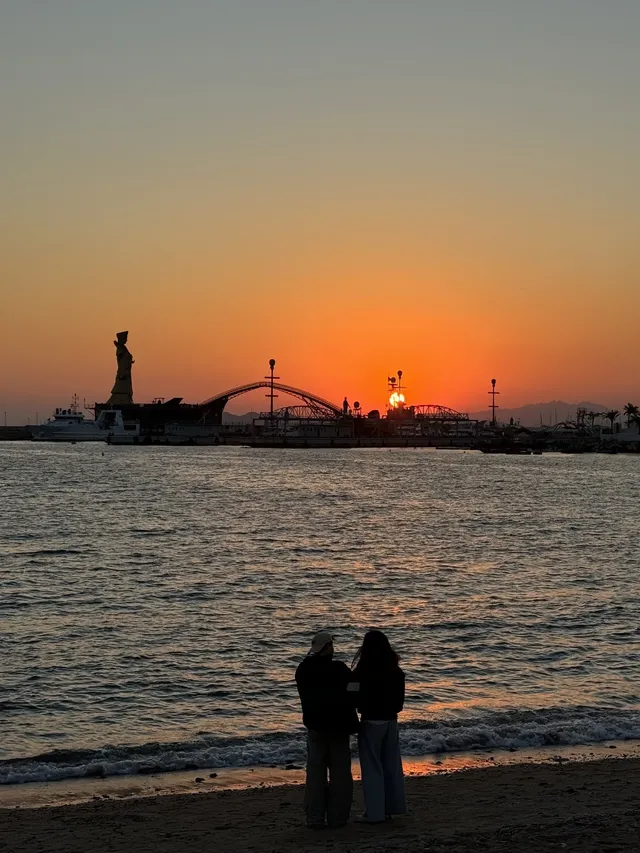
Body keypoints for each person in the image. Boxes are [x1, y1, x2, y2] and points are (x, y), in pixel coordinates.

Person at [295, 630, 359, 829]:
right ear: (328, 648)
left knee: (315, 773)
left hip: (315, 727)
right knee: (340, 773)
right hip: (339, 728)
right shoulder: (339, 669)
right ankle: (338, 817)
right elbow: (355, 690)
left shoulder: (303, 670)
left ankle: (314, 817)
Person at [350, 630, 406, 823]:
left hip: (370, 722)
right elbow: (399, 703)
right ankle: (391, 808)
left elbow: (352, 695)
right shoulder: (396, 671)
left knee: (372, 768)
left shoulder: (362, 671)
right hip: (391, 721)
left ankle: (374, 813)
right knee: (391, 766)